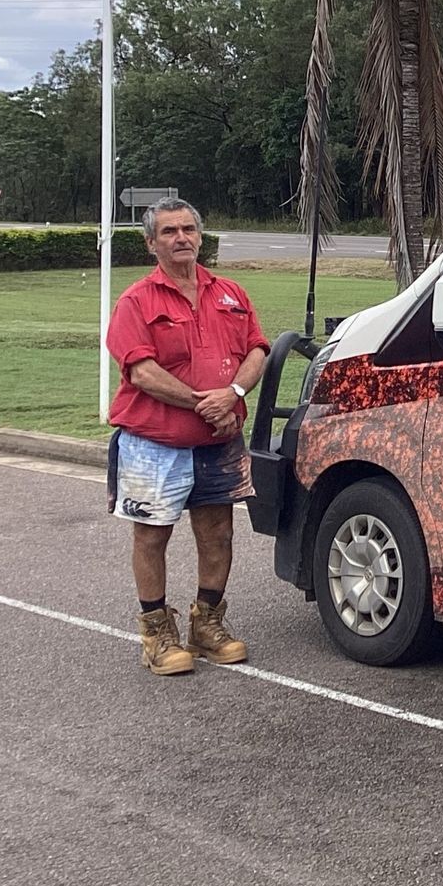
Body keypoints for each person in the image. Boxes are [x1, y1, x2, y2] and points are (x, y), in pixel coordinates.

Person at [106, 198, 268, 675]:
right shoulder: (136, 301)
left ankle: (207, 625)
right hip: (154, 444)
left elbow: (257, 350)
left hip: (218, 444)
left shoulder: (231, 293)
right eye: (169, 231)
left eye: (188, 229)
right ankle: (157, 636)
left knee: (218, 532)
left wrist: (234, 393)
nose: (181, 238)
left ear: (200, 236)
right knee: (152, 536)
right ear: (150, 243)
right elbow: (141, 372)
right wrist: (208, 404)